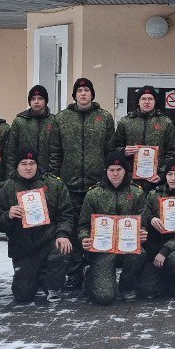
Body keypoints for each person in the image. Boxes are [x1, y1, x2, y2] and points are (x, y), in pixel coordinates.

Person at [51, 77, 117, 286]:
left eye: (87, 90)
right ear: (74, 95)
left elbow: (110, 151)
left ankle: (94, 270)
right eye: (79, 91)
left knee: (95, 228)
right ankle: (74, 272)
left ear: (92, 94)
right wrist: (56, 180)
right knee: (71, 230)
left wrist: (107, 181)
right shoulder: (62, 118)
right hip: (69, 185)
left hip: (96, 185)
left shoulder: (104, 118)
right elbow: (55, 152)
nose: (83, 94)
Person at [0, 147, 75, 306]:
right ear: (17, 166)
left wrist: (62, 234)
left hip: (48, 240)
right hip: (23, 247)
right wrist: (7, 215)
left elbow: (66, 214)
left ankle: (52, 287)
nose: (28, 167)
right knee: (22, 295)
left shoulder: (53, 184)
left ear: (37, 165)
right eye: (24, 164)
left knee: (62, 249)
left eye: (32, 163)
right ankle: (38, 274)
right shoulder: (5, 188)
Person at [76, 151, 147, 305]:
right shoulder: (94, 194)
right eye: (111, 170)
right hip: (103, 250)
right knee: (105, 297)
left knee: (140, 254)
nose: (115, 174)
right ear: (106, 171)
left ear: (125, 171)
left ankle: (127, 287)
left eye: (119, 169)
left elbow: (142, 222)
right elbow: (83, 224)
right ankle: (90, 275)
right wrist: (84, 238)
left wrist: (142, 233)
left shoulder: (137, 193)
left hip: (128, 247)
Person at [135, 159, 175, 298]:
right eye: (169, 174)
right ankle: (162, 278)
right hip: (155, 248)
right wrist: (151, 218)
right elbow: (143, 215)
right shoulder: (154, 195)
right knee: (147, 290)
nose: (173, 178)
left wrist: (165, 250)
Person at [114, 84, 175, 189]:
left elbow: (173, 151)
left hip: (156, 182)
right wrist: (124, 151)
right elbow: (114, 147)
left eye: (150, 99)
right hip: (130, 181)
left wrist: (162, 174)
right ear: (138, 102)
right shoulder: (126, 122)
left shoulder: (165, 122)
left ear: (155, 101)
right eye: (143, 99)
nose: (147, 102)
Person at [3, 84, 61, 176]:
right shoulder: (20, 122)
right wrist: (12, 174)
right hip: (24, 174)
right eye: (33, 99)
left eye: (40, 98)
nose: (36, 102)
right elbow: (11, 151)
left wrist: (52, 175)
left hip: (47, 174)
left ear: (46, 101)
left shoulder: (54, 121)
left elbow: (56, 152)